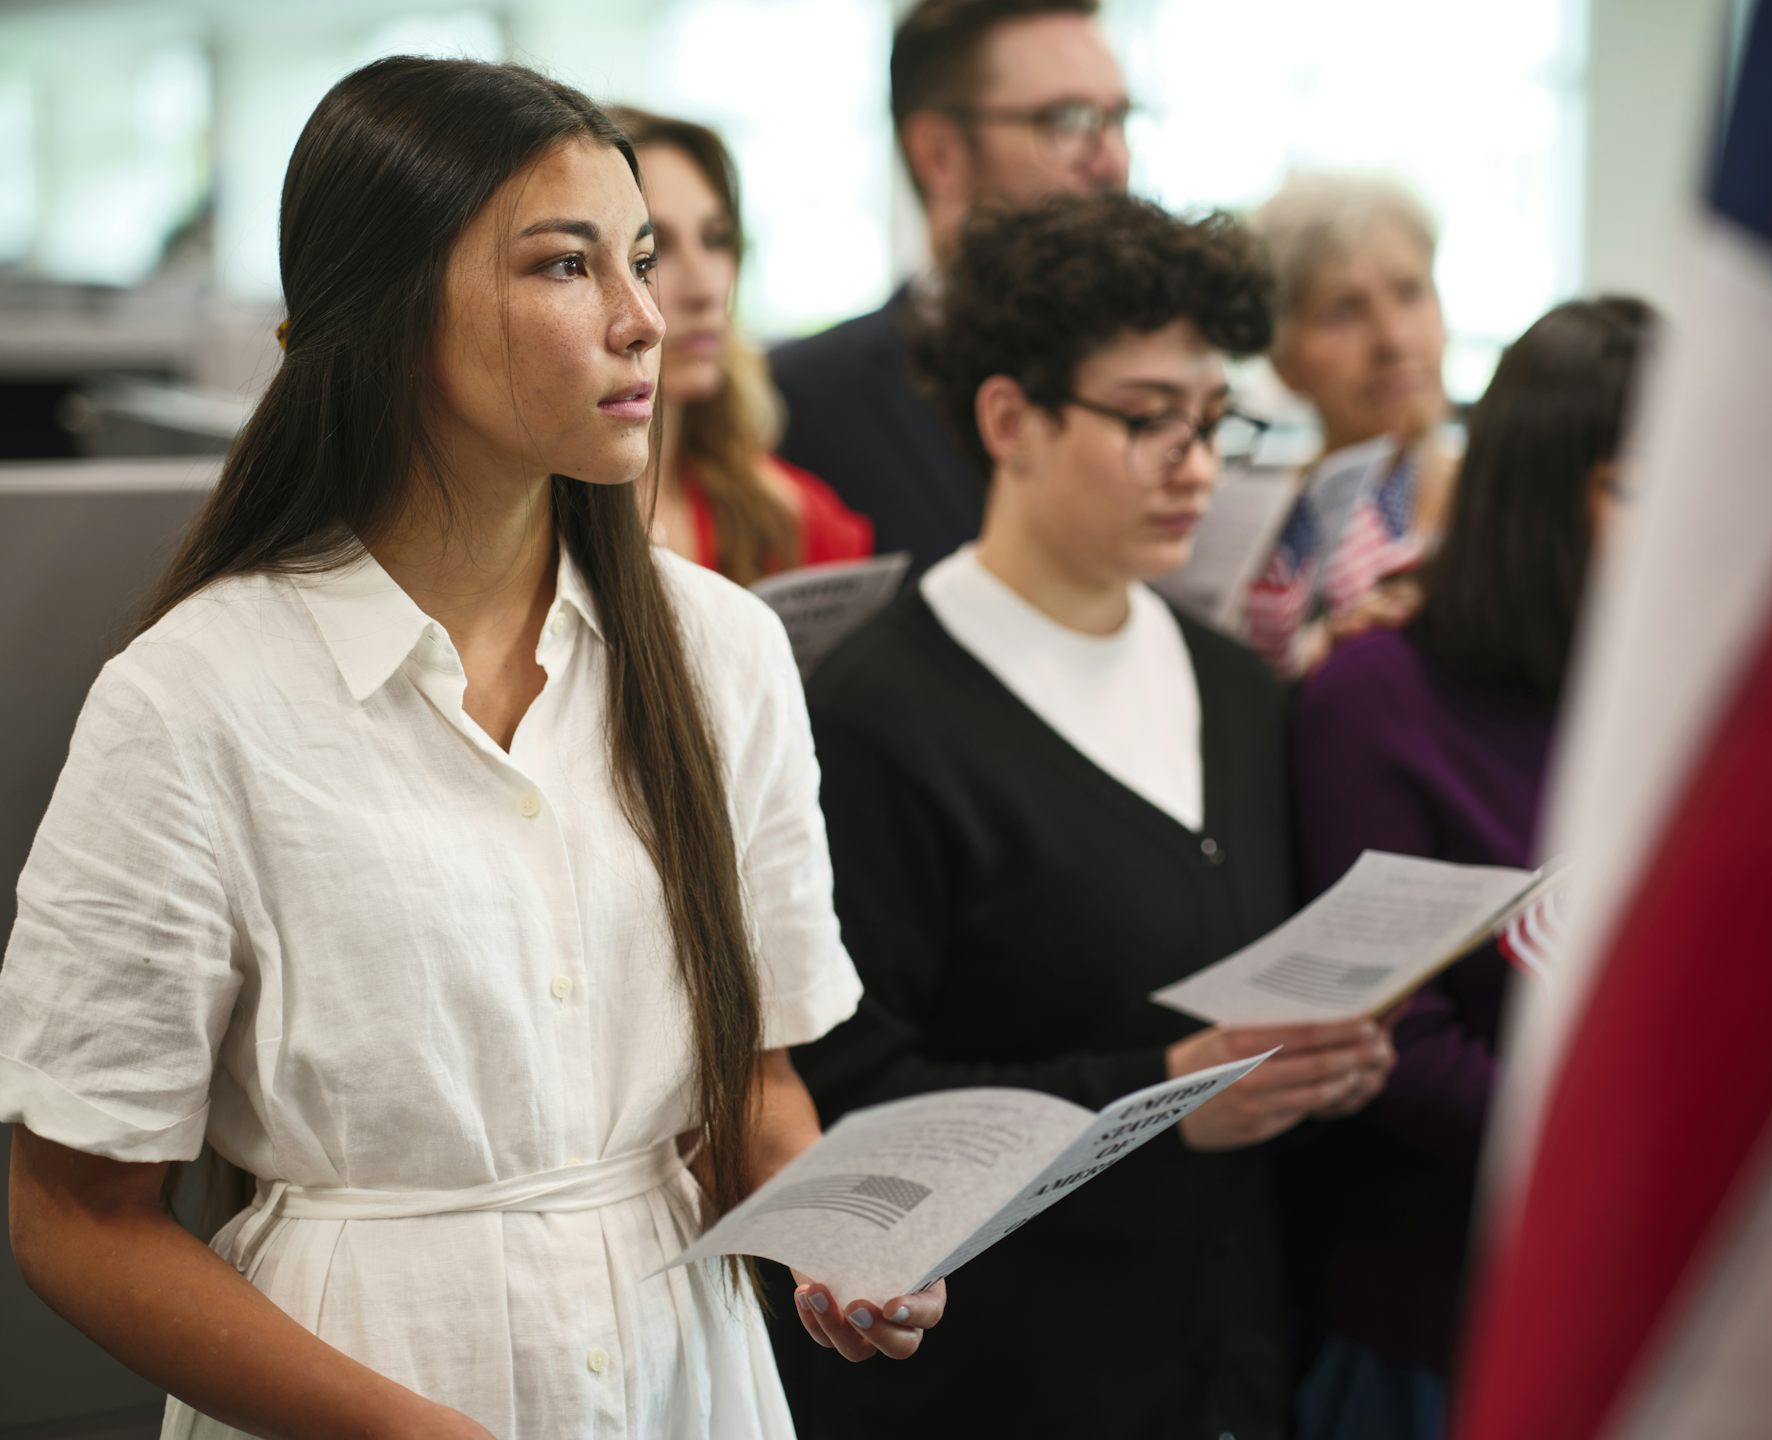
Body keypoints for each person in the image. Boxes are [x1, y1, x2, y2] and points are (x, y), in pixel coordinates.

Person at [0, 57, 944, 1440]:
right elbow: (71, 1211)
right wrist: (408, 1428)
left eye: (643, 259)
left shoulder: (718, 653)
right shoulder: (195, 699)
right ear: (387, 319)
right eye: (569, 268)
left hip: (682, 1375)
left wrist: (832, 1239)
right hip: (362, 1371)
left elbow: (750, 1083)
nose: (644, 319)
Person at [787, 192, 1398, 1440]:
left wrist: (1319, 1059)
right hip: (994, 1380)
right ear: (1010, 417)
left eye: (1215, 423)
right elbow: (847, 1102)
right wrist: (1159, 1095)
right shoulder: (872, 713)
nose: (1194, 466)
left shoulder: (1233, 683)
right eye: (1146, 421)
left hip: (1223, 1362)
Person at [1285, 297, 1655, 1440]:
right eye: (1645, 490)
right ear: (1546, 494)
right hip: (1438, 1323)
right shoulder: (1380, 696)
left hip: (1650, 1294)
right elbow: (1388, 1036)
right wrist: (1627, 1156)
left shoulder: (1671, 678)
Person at [770, 0, 1131, 573]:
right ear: (939, 154)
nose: (1113, 160)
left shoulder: (1154, 381)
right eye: (1068, 121)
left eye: (1119, 119)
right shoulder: (802, 402)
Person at [603, 106, 873, 585]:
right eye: (653, 250)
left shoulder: (786, 517)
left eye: (716, 239)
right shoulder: (516, 532)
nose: (705, 287)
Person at [1243, 172, 1459, 676]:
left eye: (1411, 293)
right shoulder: (1260, 540)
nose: (1394, 339)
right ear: (1281, 356)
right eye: (1345, 311)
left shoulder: (1511, 509)